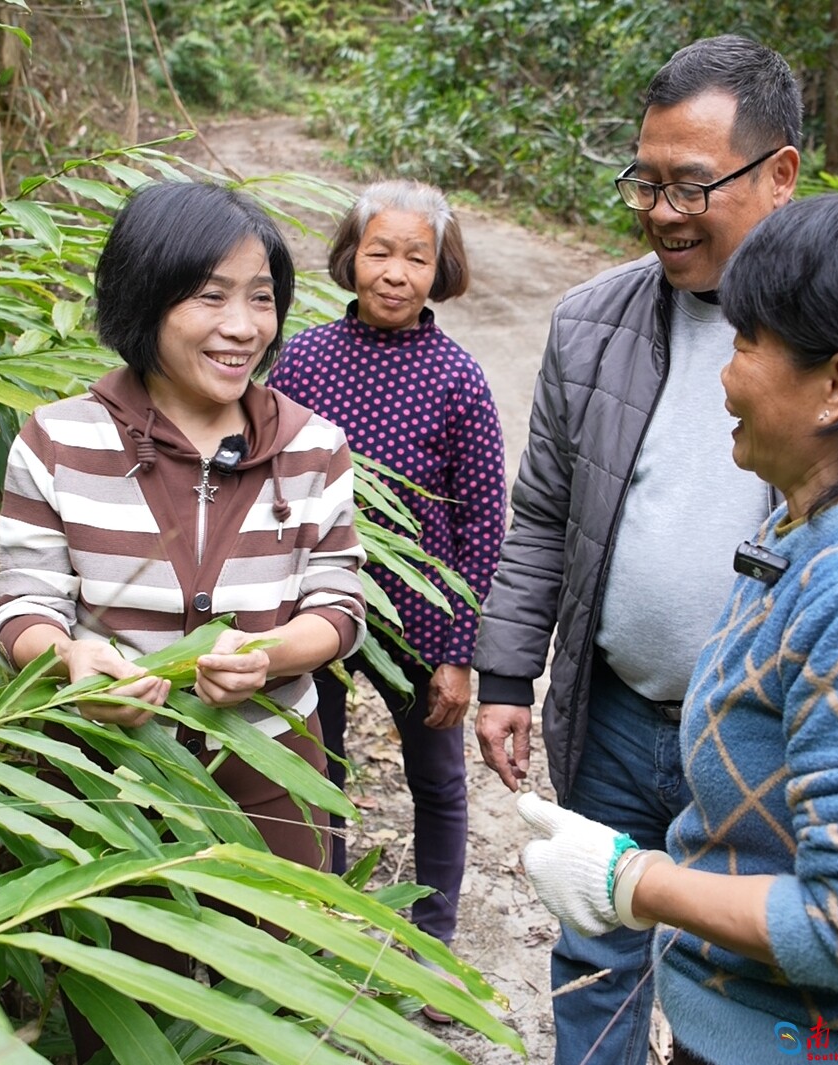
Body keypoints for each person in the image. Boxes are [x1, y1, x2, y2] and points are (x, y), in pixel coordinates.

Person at [472, 34, 838, 1065]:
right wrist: (506, 668)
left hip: (803, 812)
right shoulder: (592, 326)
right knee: (602, 970)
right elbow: (543, 512)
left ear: (779, 171)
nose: (660, 209)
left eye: (689, 184)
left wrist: (635, 882)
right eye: (643, 182)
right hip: (626, 713)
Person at [0, 180, 367, 1061]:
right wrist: (71, 657)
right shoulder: (57, 441)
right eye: (210, 295)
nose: (243, 325)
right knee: (121, 1009)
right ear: (144, 297)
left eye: (261, 297)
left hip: (274, 774)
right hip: (113, 783)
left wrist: (273, 652)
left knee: (274, 1005)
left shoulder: (314, 448)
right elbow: (23, 604)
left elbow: (338, 605)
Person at [269, 179, 506, 1012]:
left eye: (417, 255)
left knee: (436, 779)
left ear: (440, 268)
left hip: (418, 619)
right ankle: (323, 925)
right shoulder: (299, 360)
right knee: (316, 767)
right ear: (351, 256)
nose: (396, 271)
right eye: (381, 251)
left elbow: (483, 521)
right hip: (312, 608)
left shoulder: (458, 379)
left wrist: (458, 652)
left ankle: (432, 943)